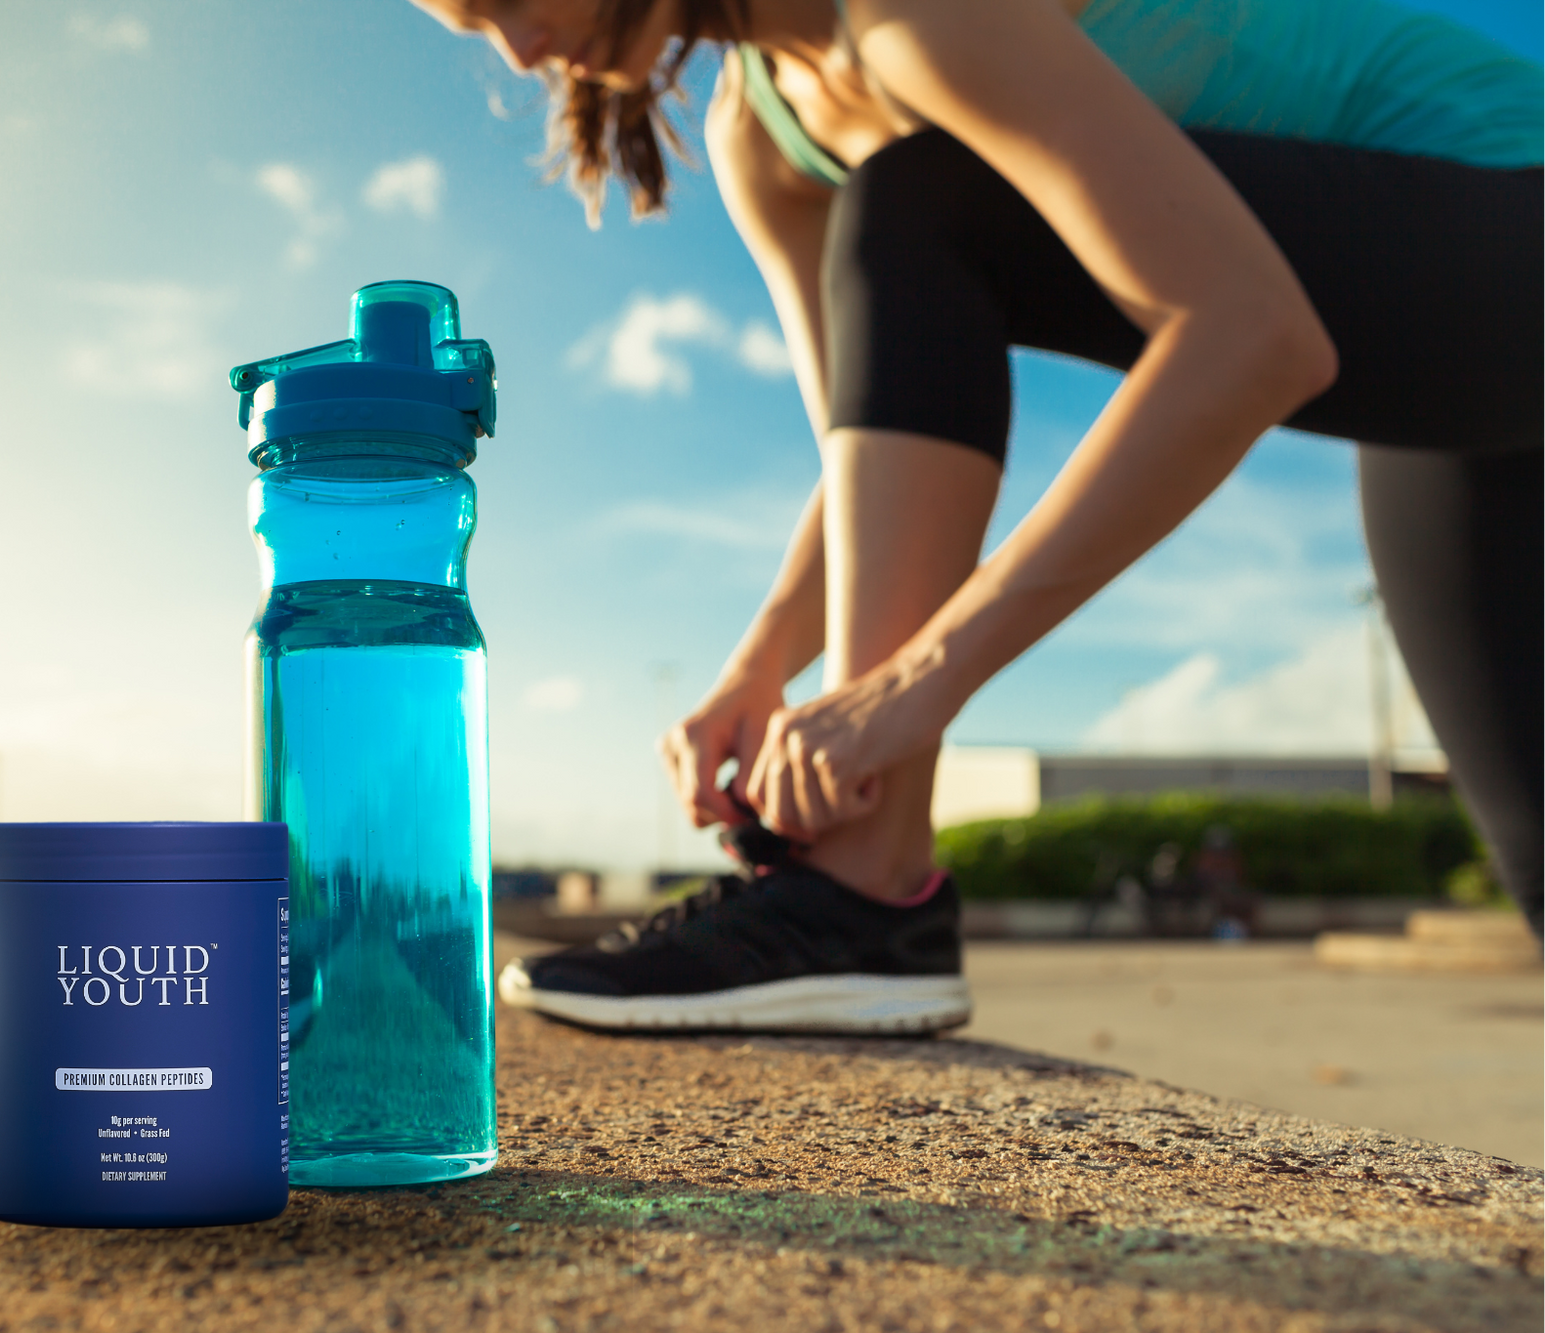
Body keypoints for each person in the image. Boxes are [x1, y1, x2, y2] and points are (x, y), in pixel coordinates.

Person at [410, 0, 1543, 1031]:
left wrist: (909, 686)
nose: (518, 51)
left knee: (911, 194)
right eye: (475, 31)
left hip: (1509, 216)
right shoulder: (759, 138)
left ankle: (862, 893)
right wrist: (755, 674)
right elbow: (879, 456)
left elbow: (1248, 337)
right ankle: (857, 894)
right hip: (1446, 382)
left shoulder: (909, 14)